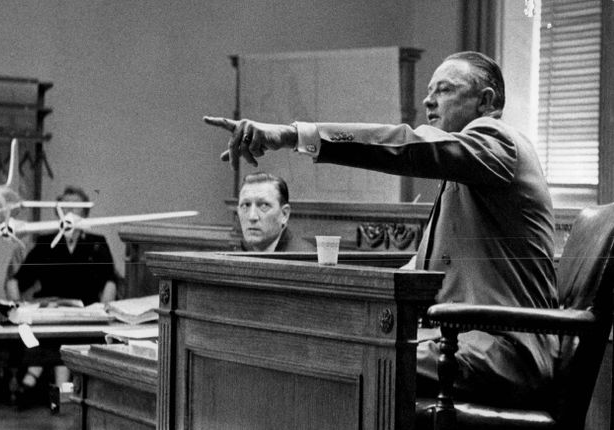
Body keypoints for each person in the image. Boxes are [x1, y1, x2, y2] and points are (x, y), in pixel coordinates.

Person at [204, 51, 558, 406]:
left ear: (486, 102)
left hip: (507, 353)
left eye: (445, 90)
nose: (427, 100)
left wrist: (293, 135)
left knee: (342, 357)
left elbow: (409, 146)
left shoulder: (499, 140)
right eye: (429, 90)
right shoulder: (466, 174)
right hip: (464, 343)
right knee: (331, 345)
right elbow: (419, 272)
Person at [5, 185, 119, 409]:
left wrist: (105, 311)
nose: (69, 211)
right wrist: (18, 305)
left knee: (68, 342)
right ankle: (51, 393)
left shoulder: (97, 243)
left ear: (85, 213)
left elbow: (110, 281)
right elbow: (16, 280)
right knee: (50, 339)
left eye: (76, 207)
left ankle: (43, 387)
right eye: (64, 206)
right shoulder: (46, 243)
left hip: (84, 313)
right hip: (50, 312)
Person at [237, 172, 314, 252]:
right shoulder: (237, 251)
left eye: (264, 205)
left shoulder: (304, 259)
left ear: (284, 214)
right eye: (245, 205)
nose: (252, 217)